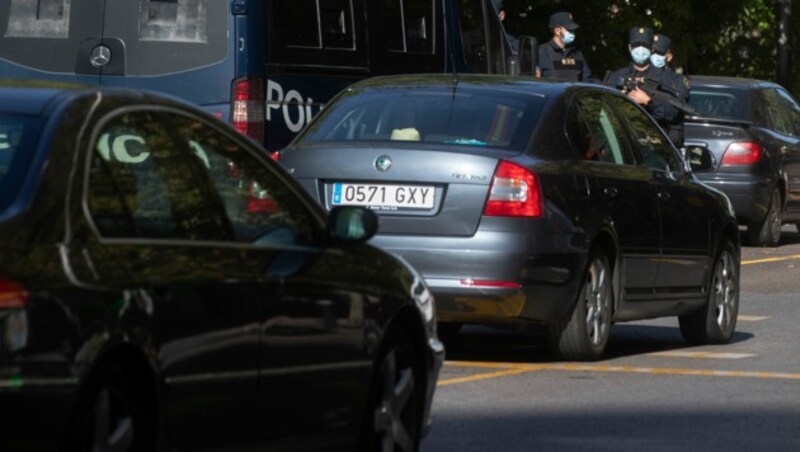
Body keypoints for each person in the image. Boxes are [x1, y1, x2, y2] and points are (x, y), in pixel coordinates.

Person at [604, 27, 681, 143]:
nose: (640, 50)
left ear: (652, 48)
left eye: (645, 46)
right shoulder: (618, 75)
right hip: (622, 141)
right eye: (636, 45)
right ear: (630, 48)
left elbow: (673, 112)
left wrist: (648, 102)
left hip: (652, 141)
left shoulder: (665, 77)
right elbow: (604, 106)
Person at [651, 33, 691, 147]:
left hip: (667, 141)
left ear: (668, 57)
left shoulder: (677, 81)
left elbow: (674, 110)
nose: (653, 56)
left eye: (658, 53)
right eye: (652, 52)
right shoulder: (638, 75)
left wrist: (649, 101)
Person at [537, 12, 593, 81]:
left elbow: (588, 79)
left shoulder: (576, 53)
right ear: (557, 31)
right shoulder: (542, 52)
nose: (572, 33)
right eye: (569, 30)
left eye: (573, 30)